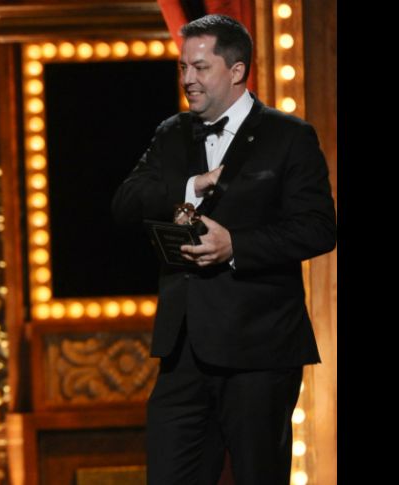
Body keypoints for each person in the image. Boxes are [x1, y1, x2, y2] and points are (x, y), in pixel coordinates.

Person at [112, 14, 336, 485]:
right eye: (182, 68)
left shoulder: (289, 137)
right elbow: (125, 203)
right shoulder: (171, 133)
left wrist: (235, 245)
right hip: (184, 352)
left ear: (236, 71)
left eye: (199, 67)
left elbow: (318, 229)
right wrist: (190, 186)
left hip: (260, 350)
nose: (187, 79)